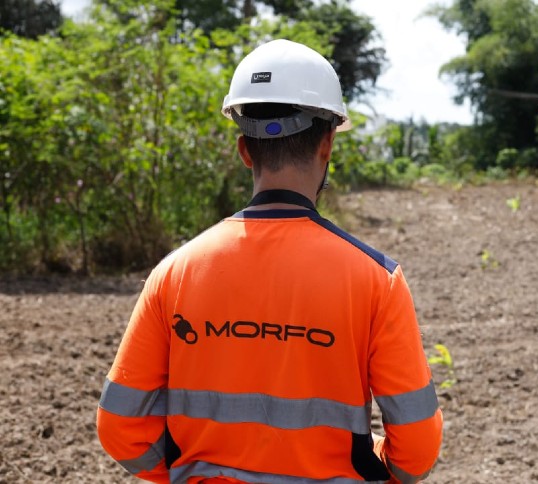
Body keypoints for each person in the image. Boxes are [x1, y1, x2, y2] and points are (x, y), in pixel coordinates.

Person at [96, 39, 443, 484]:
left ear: (244, 150)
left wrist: (187, 473)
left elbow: (120, 426)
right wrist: (368, 463)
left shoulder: (174, 273)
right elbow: (416, 450)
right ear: (327, 145)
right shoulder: (377, 280)